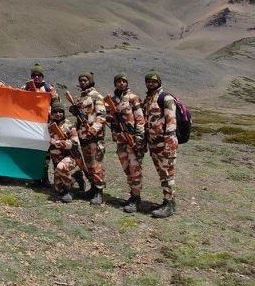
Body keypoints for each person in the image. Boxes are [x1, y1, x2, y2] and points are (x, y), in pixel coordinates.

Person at [106, 73, 146, 213]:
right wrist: (111, 117)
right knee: (127, 168)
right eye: (118, 81)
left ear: (127, 83)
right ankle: (132, 194)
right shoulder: (112, 99)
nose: (121, 83)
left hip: (132, 139)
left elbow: (140, 119)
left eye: (123, 81)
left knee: (135, 169)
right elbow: (106, 115)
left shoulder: (133, 98)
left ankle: (136, 198)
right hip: (120, 140)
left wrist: (139, 138)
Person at [142, 72, 178, 218]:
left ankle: (170, 205)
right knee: (162, 175)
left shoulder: (166, 98)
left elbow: (171, 121)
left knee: (168, 174)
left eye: (153, 81)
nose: (151, 83)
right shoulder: (149, 99)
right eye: (148, 81)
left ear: (159, 82)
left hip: (165, 144)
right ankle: (166, 201)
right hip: (154, 144)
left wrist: (168, 144)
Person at [68, 72, 107, 205]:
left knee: (96, 165)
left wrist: (94, 129)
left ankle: (99, 193)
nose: (83, 82)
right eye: (81, 80)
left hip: (94, 137)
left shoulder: (96, 96)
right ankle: (93, 188)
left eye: (85, 80)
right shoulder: (82, 97)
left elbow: (102, 116)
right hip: (83, 137)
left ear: (90, 81)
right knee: (89, 165)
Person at [49, 100, 85, 202]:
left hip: (71, 156)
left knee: (61, 167)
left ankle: (68, 191)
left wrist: (62, 143)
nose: (58, 114)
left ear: (64, 113)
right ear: (52, 113)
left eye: (60, 111)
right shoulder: (49, 127)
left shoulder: (69, 125)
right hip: (56, 159)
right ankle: (76, 177)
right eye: (55, 112)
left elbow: (75, 142)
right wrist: (51, 141)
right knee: (57, 189)